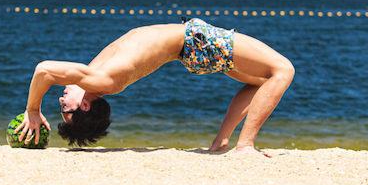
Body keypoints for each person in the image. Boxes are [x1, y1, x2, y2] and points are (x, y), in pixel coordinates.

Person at [15, 17, 295, 154]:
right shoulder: (102, 80)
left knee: (260, 82)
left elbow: (51, 74)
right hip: (196, 41)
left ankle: (221, 143)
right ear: (85, 105)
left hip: (191, 49)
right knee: (282, 70)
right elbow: (44, 70)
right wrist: (32, 109)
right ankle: (244, 145)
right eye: (66, 108)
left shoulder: (95, 73)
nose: (61, 101)